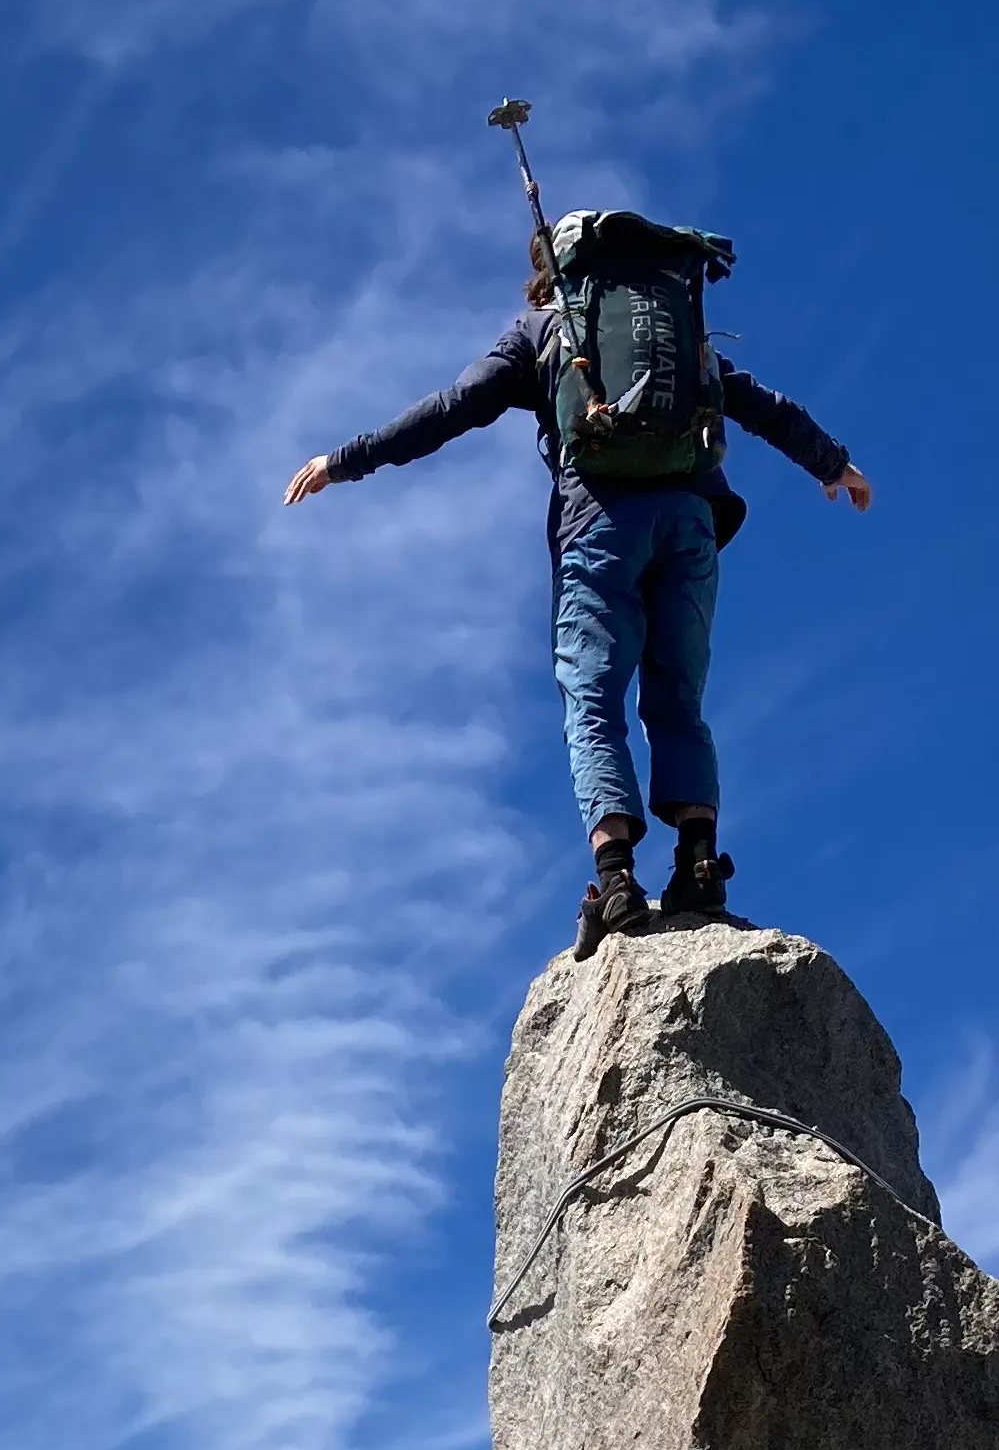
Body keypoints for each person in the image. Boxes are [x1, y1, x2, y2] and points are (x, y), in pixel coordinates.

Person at [287, 224, 871, 955]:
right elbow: (756, 401)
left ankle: (617, 879)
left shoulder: (543, 331)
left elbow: (451, 408)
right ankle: (697, 864)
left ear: (546, 273)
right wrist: (832, 464)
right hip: (692, 521)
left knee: (592, 697)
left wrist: (346, 459)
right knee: (678, 699)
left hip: (600, 522)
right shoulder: (671, 325)